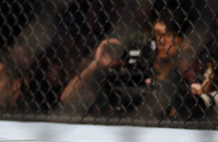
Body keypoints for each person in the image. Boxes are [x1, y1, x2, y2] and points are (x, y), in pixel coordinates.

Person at [59, 14, 193, 120]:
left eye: (169, 35)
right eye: (158, 34)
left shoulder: (189, 77)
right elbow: (67, 97)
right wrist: (95, 64)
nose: (161, 41)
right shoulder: (135, 69)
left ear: (185, 42)